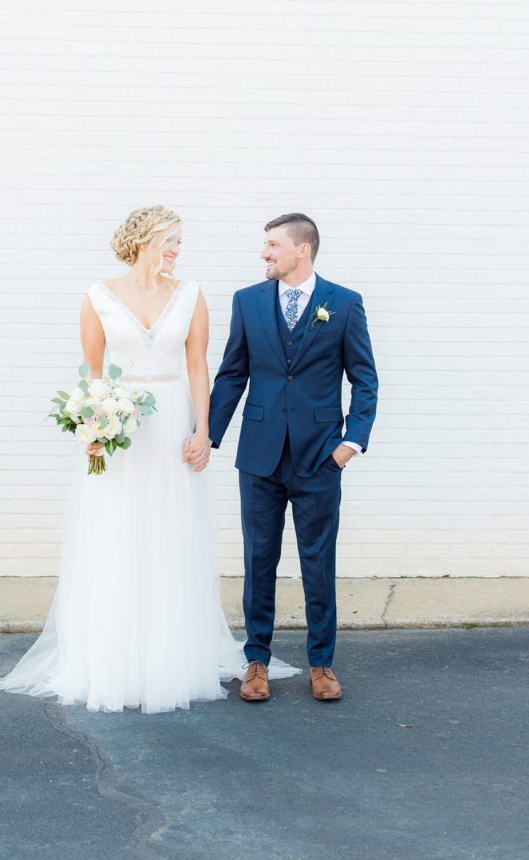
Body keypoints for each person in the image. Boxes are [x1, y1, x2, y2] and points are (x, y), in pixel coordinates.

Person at [0, 205, 299, 713]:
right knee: (118, 532)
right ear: (144, 241)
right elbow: (93, 371)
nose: (178, 250)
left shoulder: (191, 295)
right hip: (122, 427)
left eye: (180, 241)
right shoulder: (98, 297)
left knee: (170, 534)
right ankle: (116, 660)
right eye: (171, 240)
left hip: (173, 422)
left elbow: (200, 367)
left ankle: (169, 656)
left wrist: (203, 430)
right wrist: (93, 425)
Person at [197, 213, 378, 703]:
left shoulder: (343, 303)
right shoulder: (248, 301)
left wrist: (349, 445)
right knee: (259, 559)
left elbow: (365, 380)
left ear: (303, 249)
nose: (264, 254)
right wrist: (206, 435)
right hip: (259, 455)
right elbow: (233, 374)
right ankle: (256, 661)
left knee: (318, 563)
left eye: (273, 245)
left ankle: (321, 663)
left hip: (321, 456)